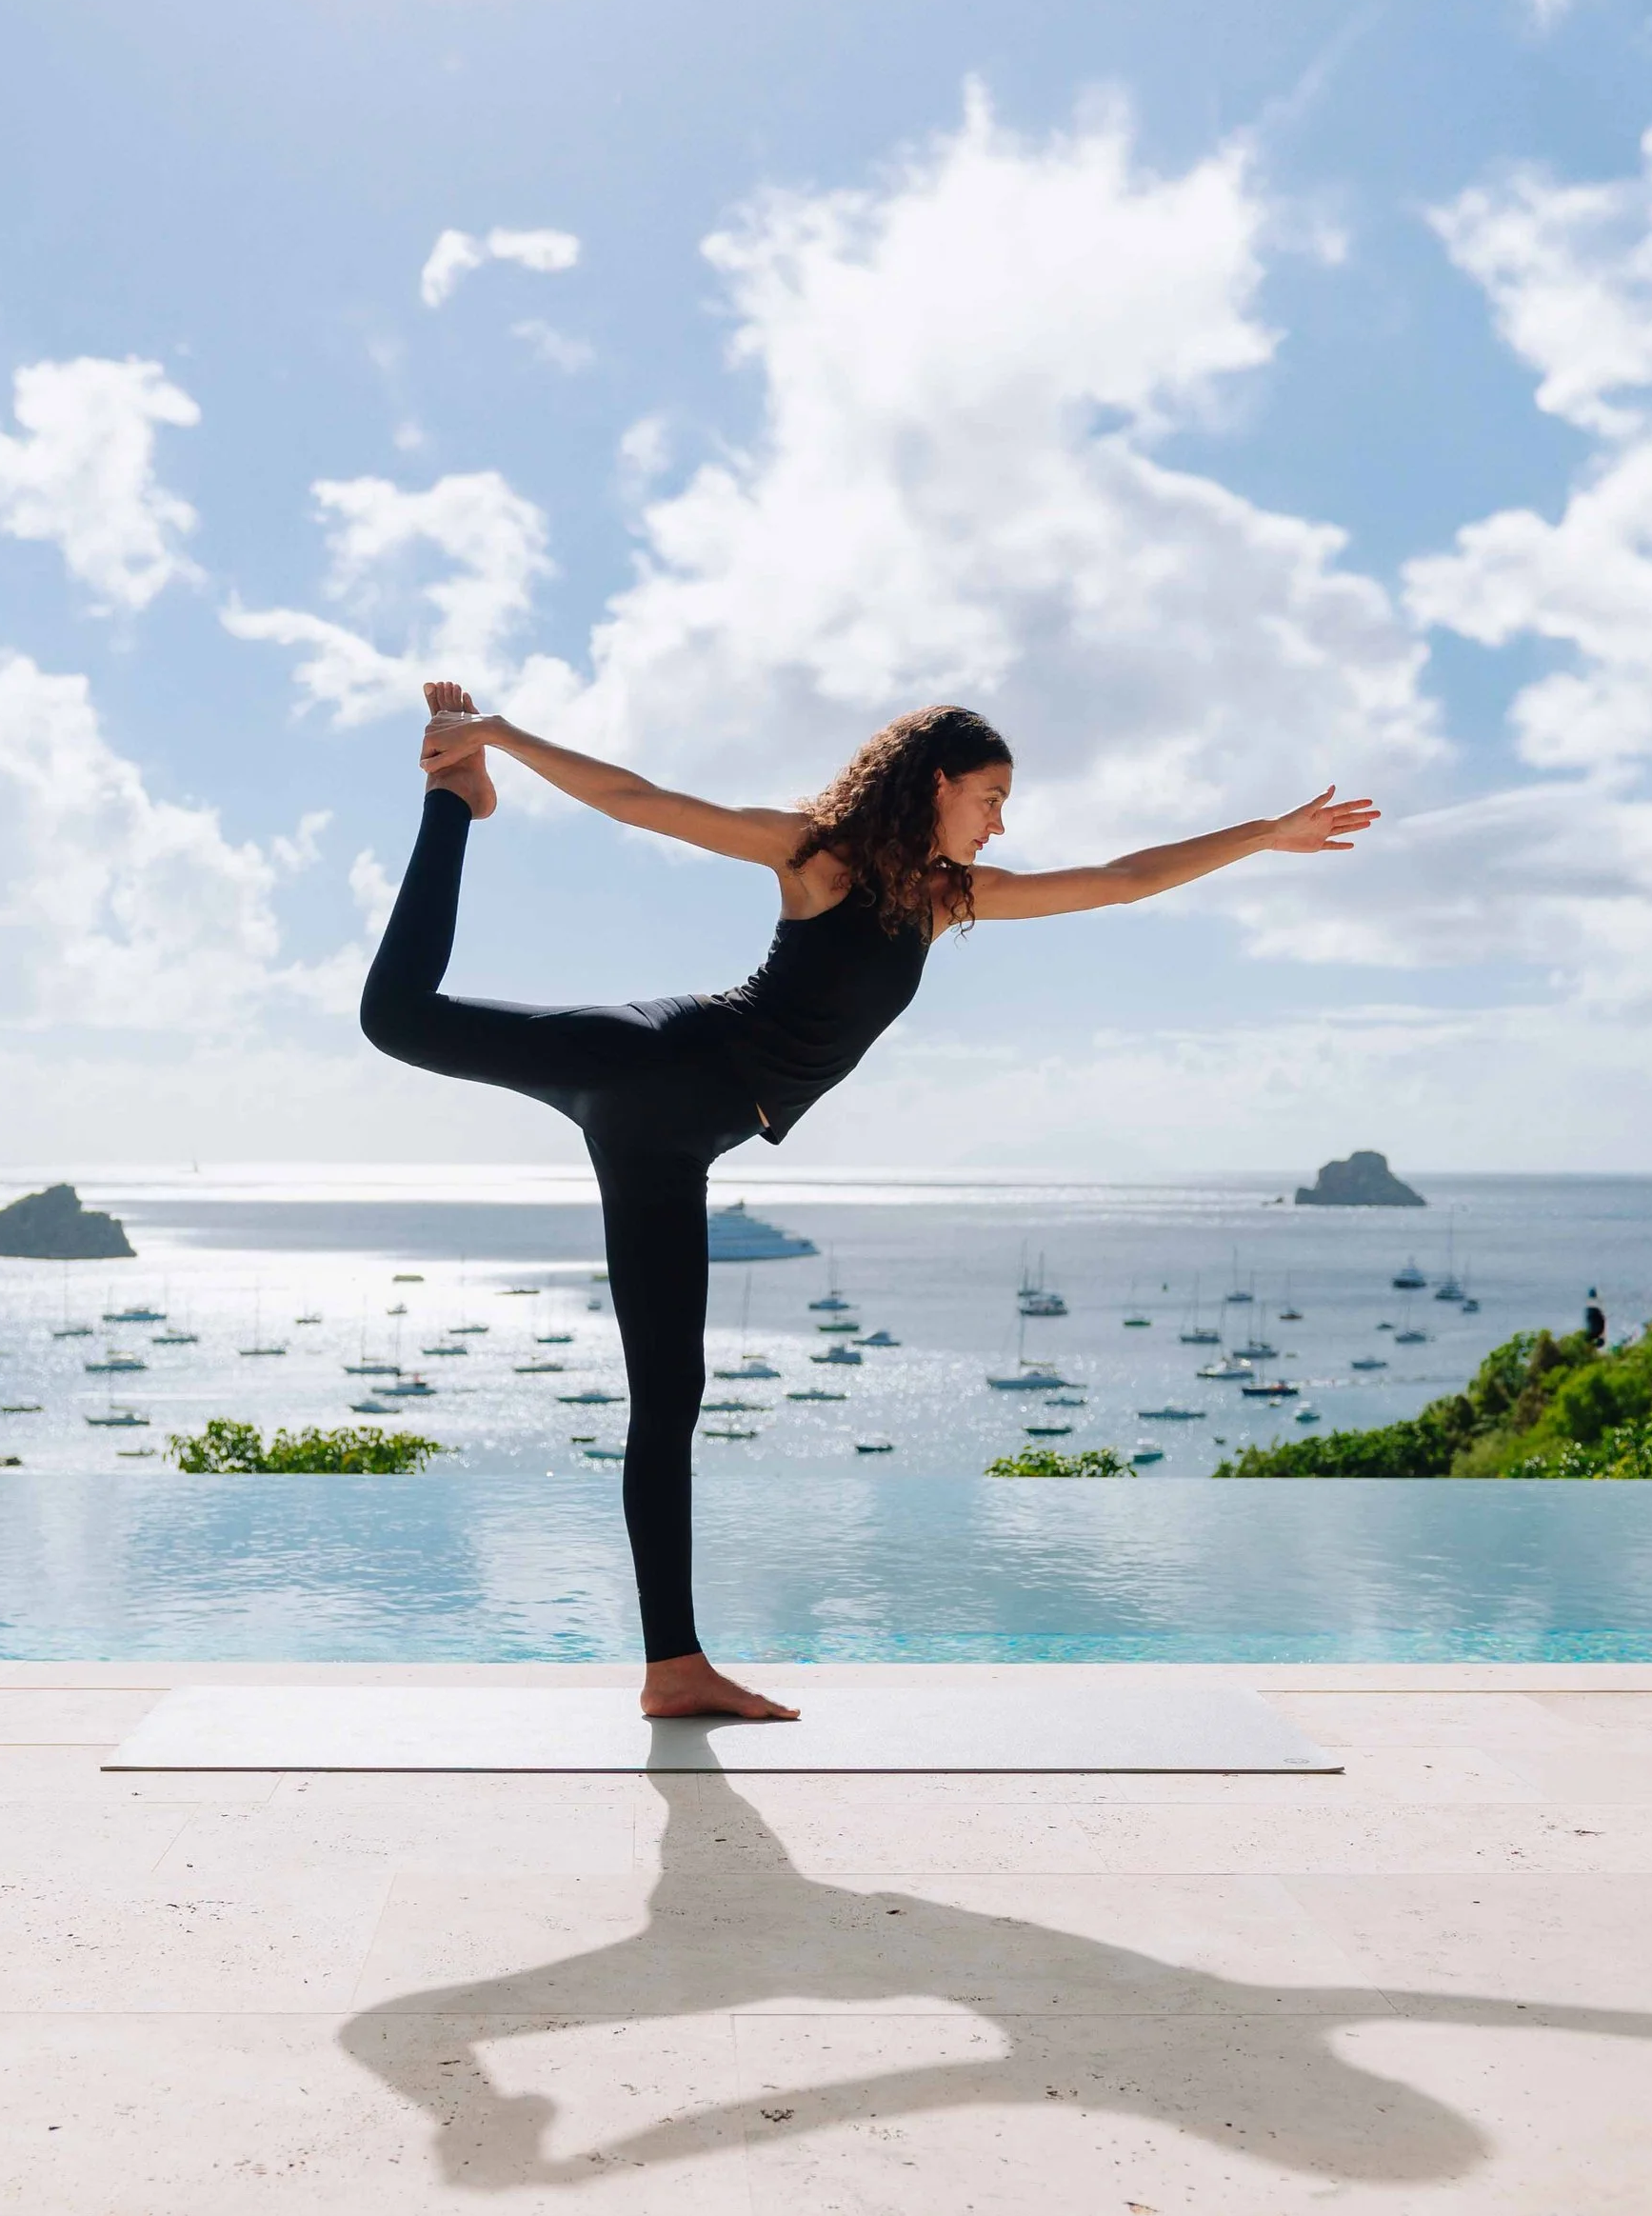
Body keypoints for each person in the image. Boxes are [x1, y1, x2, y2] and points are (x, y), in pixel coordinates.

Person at [360, 682, 1379, 1720]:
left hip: (675, 1144)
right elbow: (639, 799)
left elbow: (1119, 879)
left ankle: (673, 1669)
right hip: (653, 1062)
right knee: (394, 1017)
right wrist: (496, 736)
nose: (999, 820)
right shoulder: (819, 854)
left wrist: (1266, 835)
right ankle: (459, 800)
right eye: (989, 795)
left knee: (667, 1397)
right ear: (934, 783)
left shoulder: (946, 900)